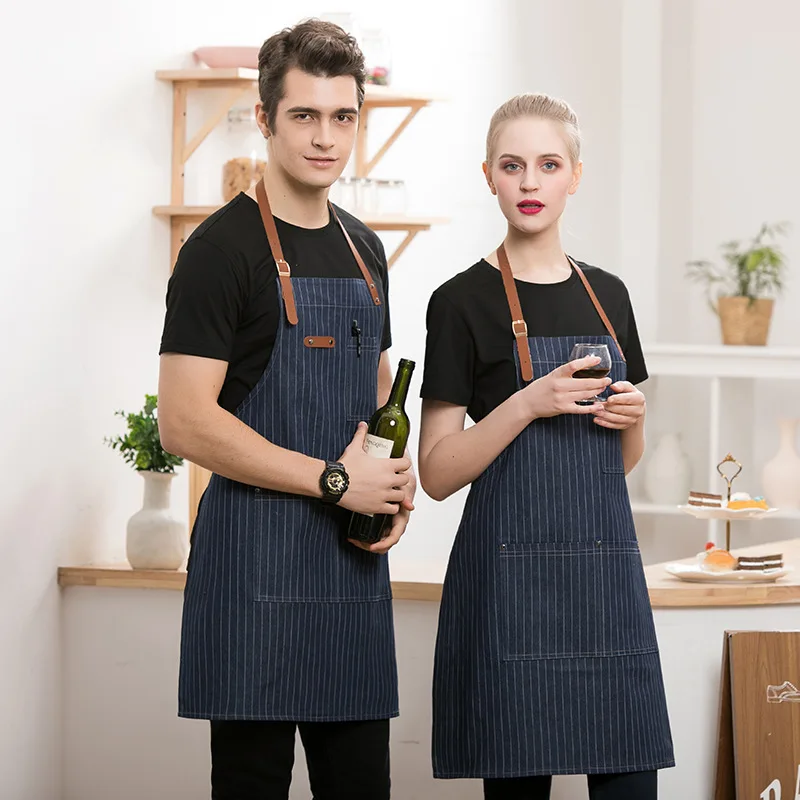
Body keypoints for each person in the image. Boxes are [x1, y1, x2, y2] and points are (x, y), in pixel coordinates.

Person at [157, 19, 415, 800]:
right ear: (267, 119)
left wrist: (392, 491)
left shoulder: (367, 251)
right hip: (252, 576)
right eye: (304, 116)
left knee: (361, 786)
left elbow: (375, 399)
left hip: (350, 575)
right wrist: (335, 483)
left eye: (343, 117)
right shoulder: (218, 251)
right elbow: (185, 421)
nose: (325, 138)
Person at [418, 93, 674, 799]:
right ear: (488, 176)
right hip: (509, 588)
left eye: (548, 164)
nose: (530, 183)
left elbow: (615, 465)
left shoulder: (610, 297)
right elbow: (437, 472)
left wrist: (634, 417)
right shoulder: (460, 302)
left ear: (575, 176)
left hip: (605, 585)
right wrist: (528, 402)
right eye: (512, 165)